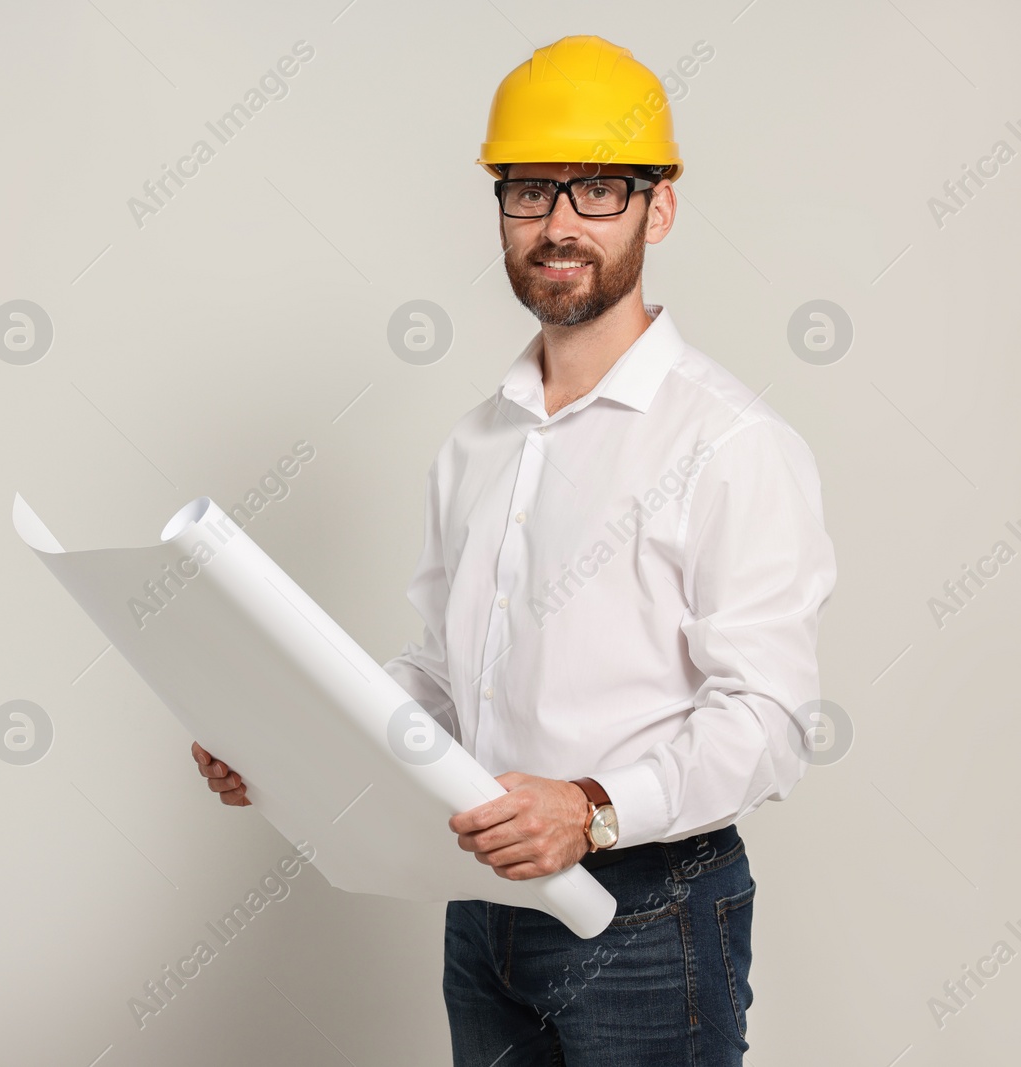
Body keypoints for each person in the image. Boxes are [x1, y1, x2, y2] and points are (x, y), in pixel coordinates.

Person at [193, 33, 837, 1066]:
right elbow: (446, 678)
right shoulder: (477, 439)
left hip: (650, 916)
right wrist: (285, 746)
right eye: (529, 189)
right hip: (483, 902)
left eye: (596, 190)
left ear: (657, 207)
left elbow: (769, 720)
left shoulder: (729, 442)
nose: (558, 224)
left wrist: (590, 809)